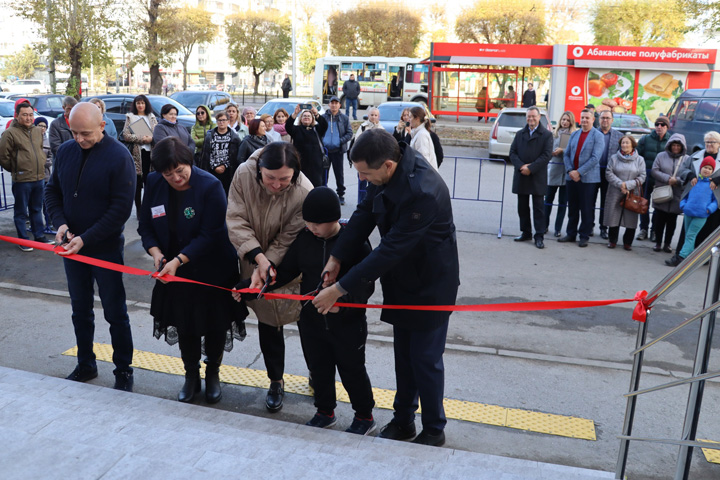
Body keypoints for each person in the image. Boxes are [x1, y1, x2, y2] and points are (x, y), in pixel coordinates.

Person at [312, 128, 460, 448]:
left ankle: (434, 428)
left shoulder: (423, 190)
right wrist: (337, 257)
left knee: (424, 359)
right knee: (404, 357)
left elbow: (389, 249)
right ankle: (403, 420)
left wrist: (339, 289)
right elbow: (365, 212)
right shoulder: (386, 173)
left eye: (365, 173)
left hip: (430, 286)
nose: (362, 178)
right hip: (403, 281)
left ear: (388, 166)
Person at [253, 187, 377, 434]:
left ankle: (364, 416)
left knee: (352, 369)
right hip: (310, 320)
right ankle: (324, 411)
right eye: (307, 222)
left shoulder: (355, 243)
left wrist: (343, 303)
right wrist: (256, 285)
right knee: (319, 368)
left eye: (317, 224)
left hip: (348, 323)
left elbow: (367, 282)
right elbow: (287, 271)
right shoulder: (304, 238)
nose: (311, 228)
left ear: (334, 218)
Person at [138, 136, 247, 404]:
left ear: (190, 162)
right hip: (174, 271)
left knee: (214, 326)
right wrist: (157, 254)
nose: (175, 177)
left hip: (212, 267)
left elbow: (212, 234)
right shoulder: (153, 183)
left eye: (180, 171)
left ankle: (212, 374)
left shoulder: (210, 185)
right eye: (168, 173)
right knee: (184, 324)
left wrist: (177, 260)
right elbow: (145, 225)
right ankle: (190, 375)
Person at [44, 103, 136, 391]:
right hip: (71, 247)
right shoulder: (67, 151)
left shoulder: (119, 156)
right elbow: (52, 191)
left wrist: (87, 238)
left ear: (102, 125)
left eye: (86, 133)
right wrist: (59, 223)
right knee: (80, 309)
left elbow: (120, 209)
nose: (80, 139)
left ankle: (123, 369)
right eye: (74, 133)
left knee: (115, 311)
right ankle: (86, 363)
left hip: (104, 248)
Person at [226, 142, 314, 413]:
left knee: (308, 325)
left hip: (288, 266)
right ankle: (276, 380)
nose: (277, 185)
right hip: (252, 260)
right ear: (259, 169)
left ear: (295, 173)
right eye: (270, 178)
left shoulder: (303, 191)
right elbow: (236, 219)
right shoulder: (243, 174)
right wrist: (258, 259)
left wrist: (268, 262)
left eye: (284, 179)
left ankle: (317, 374)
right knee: (268, 325)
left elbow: (289, 237)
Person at [0, 102, 52, 251]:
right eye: (25, 115)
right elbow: (3, 156)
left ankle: (39, 237)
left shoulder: (37, 131)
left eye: (31, 115)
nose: (29, 118)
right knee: (21, 212)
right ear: (17, 116)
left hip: (39, 178)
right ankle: (23, 240)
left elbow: (40, 149)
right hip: (22, 180)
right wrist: (17, 169)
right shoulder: (10, 133)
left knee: (36, 209)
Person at [668, 131, 720, 265]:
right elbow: (682, 170)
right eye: (707, 142)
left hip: (714, 201)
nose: (709, 144)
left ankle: (703, 259)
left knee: (708, 231)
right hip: (693, 200)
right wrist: (691, 175)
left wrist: (717, 179)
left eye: (712, 142)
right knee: (687, 232)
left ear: (718, 144)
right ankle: (681, 257)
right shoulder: (696, 156)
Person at [509, 106, 553, 249]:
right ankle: (525, 232)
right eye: (528, 116)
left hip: (537, 176)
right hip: (522, 175)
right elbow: (513, 152)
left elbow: (546, 156)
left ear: (539, 117)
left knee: (538, 208)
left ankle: (539, 236)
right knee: (522, 207)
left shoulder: (546, 135)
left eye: (533, 116)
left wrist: (531, 168)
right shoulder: (520, 134)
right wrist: (522, 166)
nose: (531, 119)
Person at [560, 109, 605, 247]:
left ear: (593, 120)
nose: (584, 120)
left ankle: (584, 236)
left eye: (587, 118)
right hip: (571, 177)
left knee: (586, 208)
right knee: (572, 207)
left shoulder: (598, 136)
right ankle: (571, 233)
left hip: (588, 179)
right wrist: (570, 170)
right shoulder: (574, 134)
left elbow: (595, 158)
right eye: (582, 117)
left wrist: (578, 172)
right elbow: (566, 154)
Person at [651, 133, 692, 254]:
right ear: (669, 145)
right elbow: (654, 170)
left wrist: (677, 181)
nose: (675, 148)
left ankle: (667, 243)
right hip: (662, 192)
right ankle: (658, 242)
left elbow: (688, 175)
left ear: (682, 146)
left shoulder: (687, 159)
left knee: (672, 222)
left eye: (678, 146)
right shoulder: (661, 156)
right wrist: (667, 179)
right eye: (673, 145)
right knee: (659, 220)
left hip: (677, 194)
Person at [604, 135, 646, 250]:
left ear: (632, 145)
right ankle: (612, 240)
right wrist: (620, 184)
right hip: (615, 190)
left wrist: (627, 185)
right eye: (623, 143)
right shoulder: (614, 158)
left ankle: (628, 242)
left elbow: (642, 176)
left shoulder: (640, 160)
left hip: (632, 192)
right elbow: (608, 173)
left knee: (631, 217)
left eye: (627, 143)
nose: (625, 145)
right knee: (614, 216)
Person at [637, 115, 673, 241]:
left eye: (662, 125)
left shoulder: (671, 142)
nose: (659, 127)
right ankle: (643, 229)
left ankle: (654, 231)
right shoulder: (646, 139)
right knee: (643, 205)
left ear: (667, 127)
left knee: (658, 206)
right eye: (657, 124)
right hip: (646, 179)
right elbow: (637, 156)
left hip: (661, 180)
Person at [123, 94, 157, 214]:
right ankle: (139, 209)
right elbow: (126, 135)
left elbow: (157, 134)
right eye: (138, 103)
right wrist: (142, 138)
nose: (141, 105)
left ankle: (149, 208)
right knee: (137, 183)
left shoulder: (151, 117)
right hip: (137, 154)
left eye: (143, 103)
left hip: (150, 154)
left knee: (150, 182)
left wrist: (151, 139)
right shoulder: (130, 117)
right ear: (135, 105)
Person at [545, 111, 576, 238]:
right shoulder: (554, 134)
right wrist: (552, 152)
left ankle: (558, 228)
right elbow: (547, 149)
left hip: (566, 171)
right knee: (548, 200)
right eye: (563, 119)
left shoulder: (574, 135)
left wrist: (562, 150)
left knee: (563, 203)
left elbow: (575, 151)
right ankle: (544, 225)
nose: (565, 122)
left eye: (567, 120)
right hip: (554, 169)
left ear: (571, 122)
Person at [595, 110, 624, 239]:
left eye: (607, 118)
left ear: (612, 120)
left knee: (605, 203)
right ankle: (589, 225)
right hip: (593, 172)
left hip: (609, 174)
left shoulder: (619, 136)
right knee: (589, 201)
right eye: (602, 118)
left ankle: (603, 227)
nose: (605, 120)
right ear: (599, 119)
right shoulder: (593, 133)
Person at [198, 110, 241, 195]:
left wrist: (225, 165)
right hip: (212, 170)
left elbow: (234, 156)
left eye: (224, 120)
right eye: (219, 120)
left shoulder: (234, 137)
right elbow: (206, 154)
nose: (221, 122)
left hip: (228, 172)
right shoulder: (209, 136)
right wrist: (214, 167)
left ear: (228, 121)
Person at [285, 104, 328, 187]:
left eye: (309, 116)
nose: (306, 117)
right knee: (301, 185)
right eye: (304, 116)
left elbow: (324, 125)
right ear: (301, 118)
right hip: (301, 163)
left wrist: (316, 114)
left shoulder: (317, 129)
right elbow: (288, 126)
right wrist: (295, 113)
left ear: (312, 119)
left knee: (316, 185)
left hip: (316, 164)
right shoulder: (296, 130)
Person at [322, 96, 353, 203]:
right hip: (325, 152)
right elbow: (318, 131)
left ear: (340, 105)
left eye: (336, 103)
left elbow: (349, 133)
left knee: (339, 174)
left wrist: (340, 141)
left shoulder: (344, 118)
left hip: (338, 151)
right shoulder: (323, 117)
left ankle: (340, 195)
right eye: (332, 103)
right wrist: (323, 142)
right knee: (324, 174)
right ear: (329, 104)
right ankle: (323, 193)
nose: (334, 105)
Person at [34, 117, 55, 234]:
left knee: (46, 202)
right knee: (35, 203)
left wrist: (41, 162)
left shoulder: (47, 141)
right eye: (40, 125)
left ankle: (50, 223)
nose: (42, 128)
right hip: (34, 176)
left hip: (46, 175)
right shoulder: (32, 140)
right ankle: (37, 226)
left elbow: (50, 158)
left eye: (44, 126)